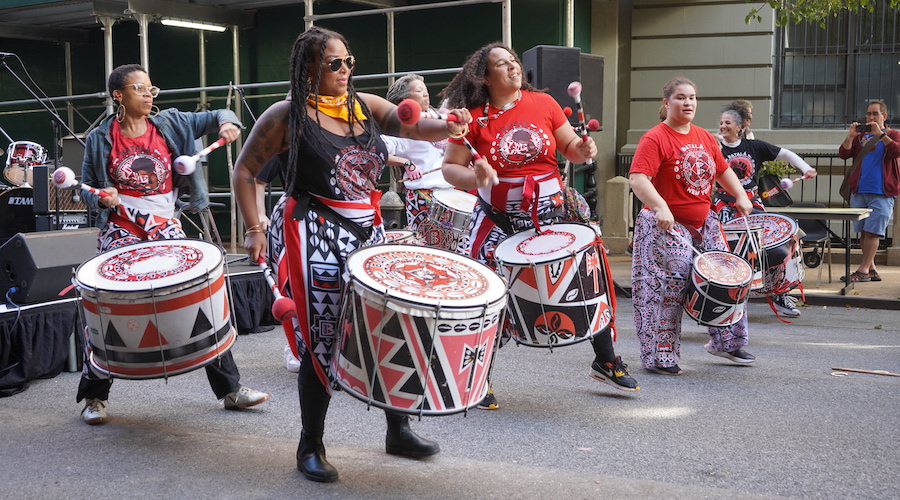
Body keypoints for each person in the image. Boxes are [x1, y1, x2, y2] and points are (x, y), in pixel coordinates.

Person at [231, 27, 471, 483]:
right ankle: (311, 444)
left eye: (349, 62)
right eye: (334, 64)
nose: (346, 71)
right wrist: (254, 227)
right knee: (322, 336)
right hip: (315, 230)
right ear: (309, 70)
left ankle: (397, 430)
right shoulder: (287, 115)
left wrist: (450, 125)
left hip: (368, 228)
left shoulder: (364, 107)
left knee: (390, 323)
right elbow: (245, 170)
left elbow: (418, 126)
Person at [440, 41, 639, 408]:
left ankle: (606, 359)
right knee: (485, 297)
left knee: (588, 277)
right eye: (502, 64)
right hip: (496, 220)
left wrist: (583, 150)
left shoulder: (544, 104)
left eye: (514, 61)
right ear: (485, 77)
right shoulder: (473, 116)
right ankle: (477, 377)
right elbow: (451, 168)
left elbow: (570, 149)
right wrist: (476, 178)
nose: (513, 67)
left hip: (550, 212)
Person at [77, 64, 270, 425]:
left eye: (153, 89)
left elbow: (219, 114)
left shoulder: (172, 123)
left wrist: (229, 124)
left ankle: (231, 389)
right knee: (106, 307)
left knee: (201, 299)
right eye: (140, 89)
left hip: (165, 224)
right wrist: (102, 197)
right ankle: (93, 396)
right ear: (119, 95)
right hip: (122, 228)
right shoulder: (101, 138)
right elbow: (85, 190)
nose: (149, 96)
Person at [629, 77, 755, 375]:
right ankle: (660, 355)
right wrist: (659, 206)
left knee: (727, 276)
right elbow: (638, 179)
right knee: (668, 288)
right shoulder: (655, 138)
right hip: (666, 225)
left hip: (704, 221)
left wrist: (740, 195)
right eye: (681, 98)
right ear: (667, 103)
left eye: (692, 98)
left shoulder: (705, 137)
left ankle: (728, 342)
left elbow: (722, 171)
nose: (688, 103)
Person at [713, 105, 817, 317]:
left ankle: (780, 294)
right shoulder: (714, 148)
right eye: (721, 122)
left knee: (779, 245)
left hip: (753, 206)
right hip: (725, 207)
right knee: (727, 253)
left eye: (728, 123)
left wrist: (806, 168)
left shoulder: (755, 146)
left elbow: (785, 154)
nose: (723, 126)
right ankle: (725, 302)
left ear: (740, 127)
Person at [381, 74, 456, 231]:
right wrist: (406, 163)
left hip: (451, 195)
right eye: (419, 90)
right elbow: (378, 150)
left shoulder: (439, 118)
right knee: (428, 250)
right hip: (424, 197)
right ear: (404, 101)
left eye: (425, 90)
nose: (425, 94)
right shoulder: (402, 128)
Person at [838, 100, 900, 282]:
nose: (871, 117)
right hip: (859, 190)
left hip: (882, 192)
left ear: (884, 116)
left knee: (873, 232)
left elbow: (896, 151)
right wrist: (850, 137)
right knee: (864, 232)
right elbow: (843, 154)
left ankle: (863, 270)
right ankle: (872, 269)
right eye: (868, 114)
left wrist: (880, 135)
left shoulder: (893, 134)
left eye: (875, 114)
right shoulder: (859, 137)